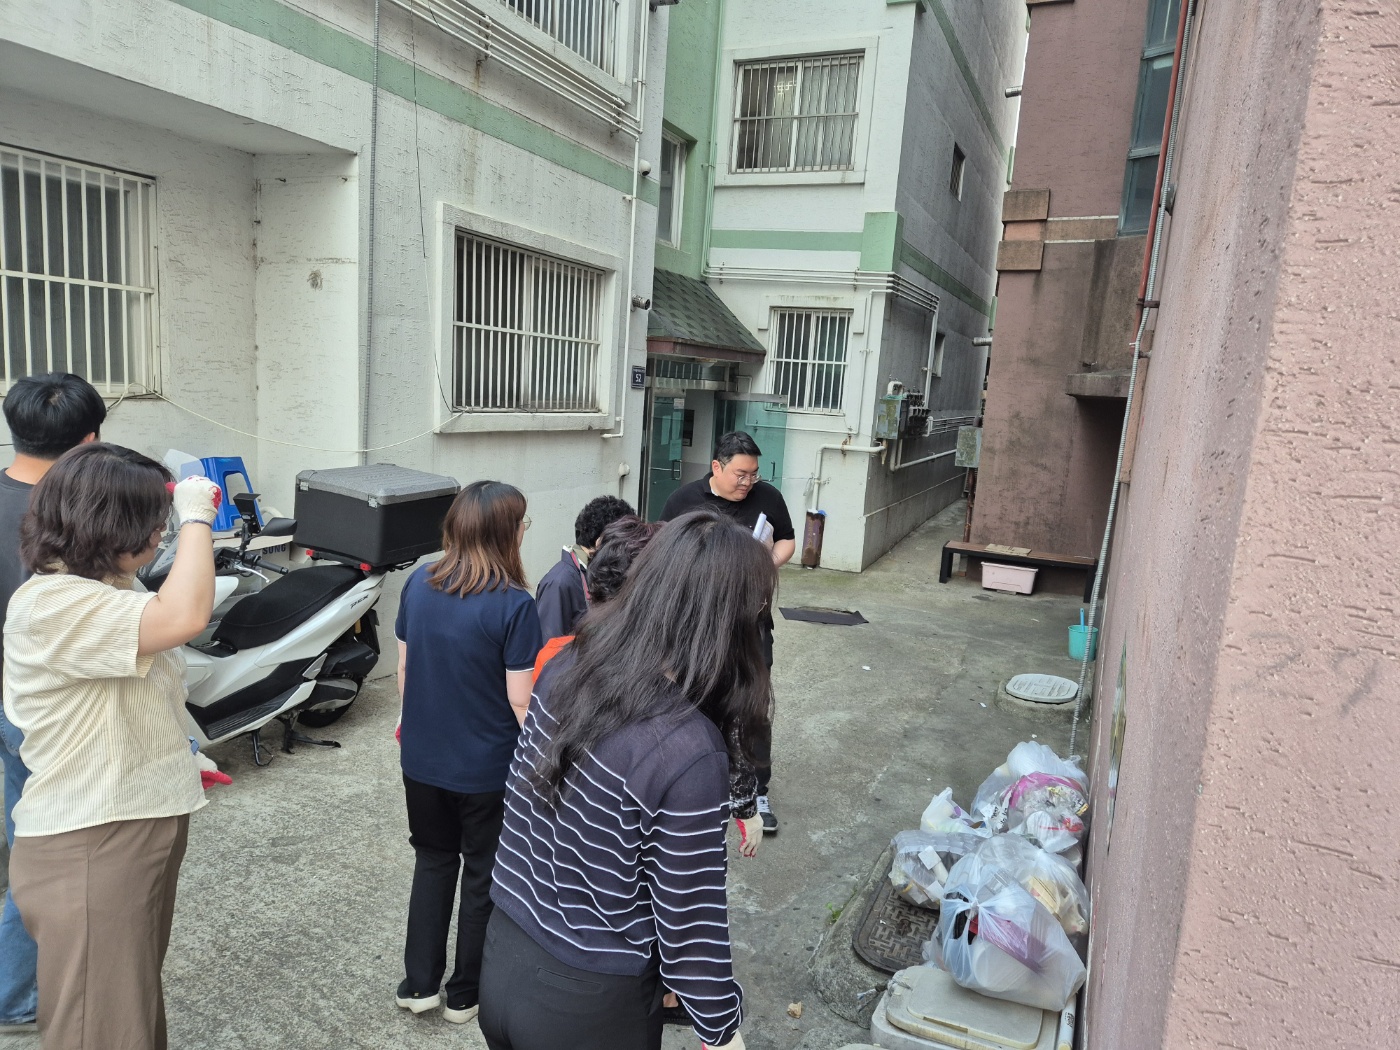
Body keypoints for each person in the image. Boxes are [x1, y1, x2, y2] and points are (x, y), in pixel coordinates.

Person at [480, 509, 771, 1050]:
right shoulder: (686, 749)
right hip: (587, 1004)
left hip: (502, 955)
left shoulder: (568, 665)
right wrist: (721, 1028)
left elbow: (530, 817)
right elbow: (690, 920)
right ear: (725, 621)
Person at [6, 444, 221, 1050]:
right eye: (152, 521)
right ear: (107, 525)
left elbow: (134, 695)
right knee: (101, 1028)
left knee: (129, 1007)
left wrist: (180, 753)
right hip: (92, 839)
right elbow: (185, 616)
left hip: (134, 820)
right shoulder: (54, 602)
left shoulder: (110, 587)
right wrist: (198, 515)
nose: (161, 533)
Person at [393, 480, 543, 1025]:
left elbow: (405, 669)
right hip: (487, 769)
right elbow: (521, 701)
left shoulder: (418, 583)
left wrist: (413, 725)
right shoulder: (515, 605)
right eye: (522, 523)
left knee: (433, 862)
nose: (524, 531)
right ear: (506, 533)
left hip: (422, 760)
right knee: (482, 873)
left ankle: (419, 985)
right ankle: (464, 994)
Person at [0, 374, 107, 1036]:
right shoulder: (72, 516)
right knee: (58, 854)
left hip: (6, 705)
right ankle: (16, 994)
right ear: (88, 442)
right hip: (49, 710)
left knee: (26, 841)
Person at [659, 430, 794, 833]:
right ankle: (693, 782)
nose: (748, 482)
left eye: (754, 474)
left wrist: (765, 563)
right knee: (694, 701)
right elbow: (663, 555)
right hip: (697, 627)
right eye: (740, 474)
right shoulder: (683, 501)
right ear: (716, 467)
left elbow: (787, 541)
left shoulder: (768, 497)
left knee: (753, 706)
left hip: (751, 624)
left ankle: (757, 791)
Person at [534, 494, 634, 640]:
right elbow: (549, 646)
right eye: (625, 543)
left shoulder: (599, 573)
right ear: (602, 542)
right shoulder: (559, 583)